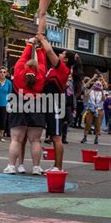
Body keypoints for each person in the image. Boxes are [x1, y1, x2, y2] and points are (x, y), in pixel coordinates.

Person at [36, 33, 82, 171]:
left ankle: (59, 167)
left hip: (55, 104)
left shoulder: (63, 68)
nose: (60, 54)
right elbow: (46, 53)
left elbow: (49, 51)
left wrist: (42, 38)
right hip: (48, 102)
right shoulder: (55, 68)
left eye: (62, 54)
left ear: (66, 60)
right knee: (52, 136)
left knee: (56, 137)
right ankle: (55, 165)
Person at [3, 39, 47, 176]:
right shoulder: (41, 75)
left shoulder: (19, 72)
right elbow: (43, 62)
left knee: (16, 139)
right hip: (36, 106)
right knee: (35, 140)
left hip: (19, 105)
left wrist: (30, 44)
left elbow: (23, 57)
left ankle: (11, 166)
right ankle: (36, 167)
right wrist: (39, 48)